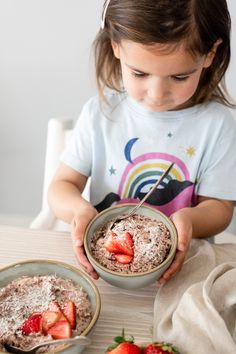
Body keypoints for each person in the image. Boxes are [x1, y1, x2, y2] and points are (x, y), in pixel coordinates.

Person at [48, 0, 236, 284]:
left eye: (179, 76)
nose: (157, 94)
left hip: (184, 274)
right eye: (140, 73)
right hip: (105, 275)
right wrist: (79, 210)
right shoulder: (100, 114)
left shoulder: (218, 125)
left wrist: (188, 220)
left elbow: (220, 208)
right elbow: (61, 187)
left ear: (210, 53)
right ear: (116, 46)